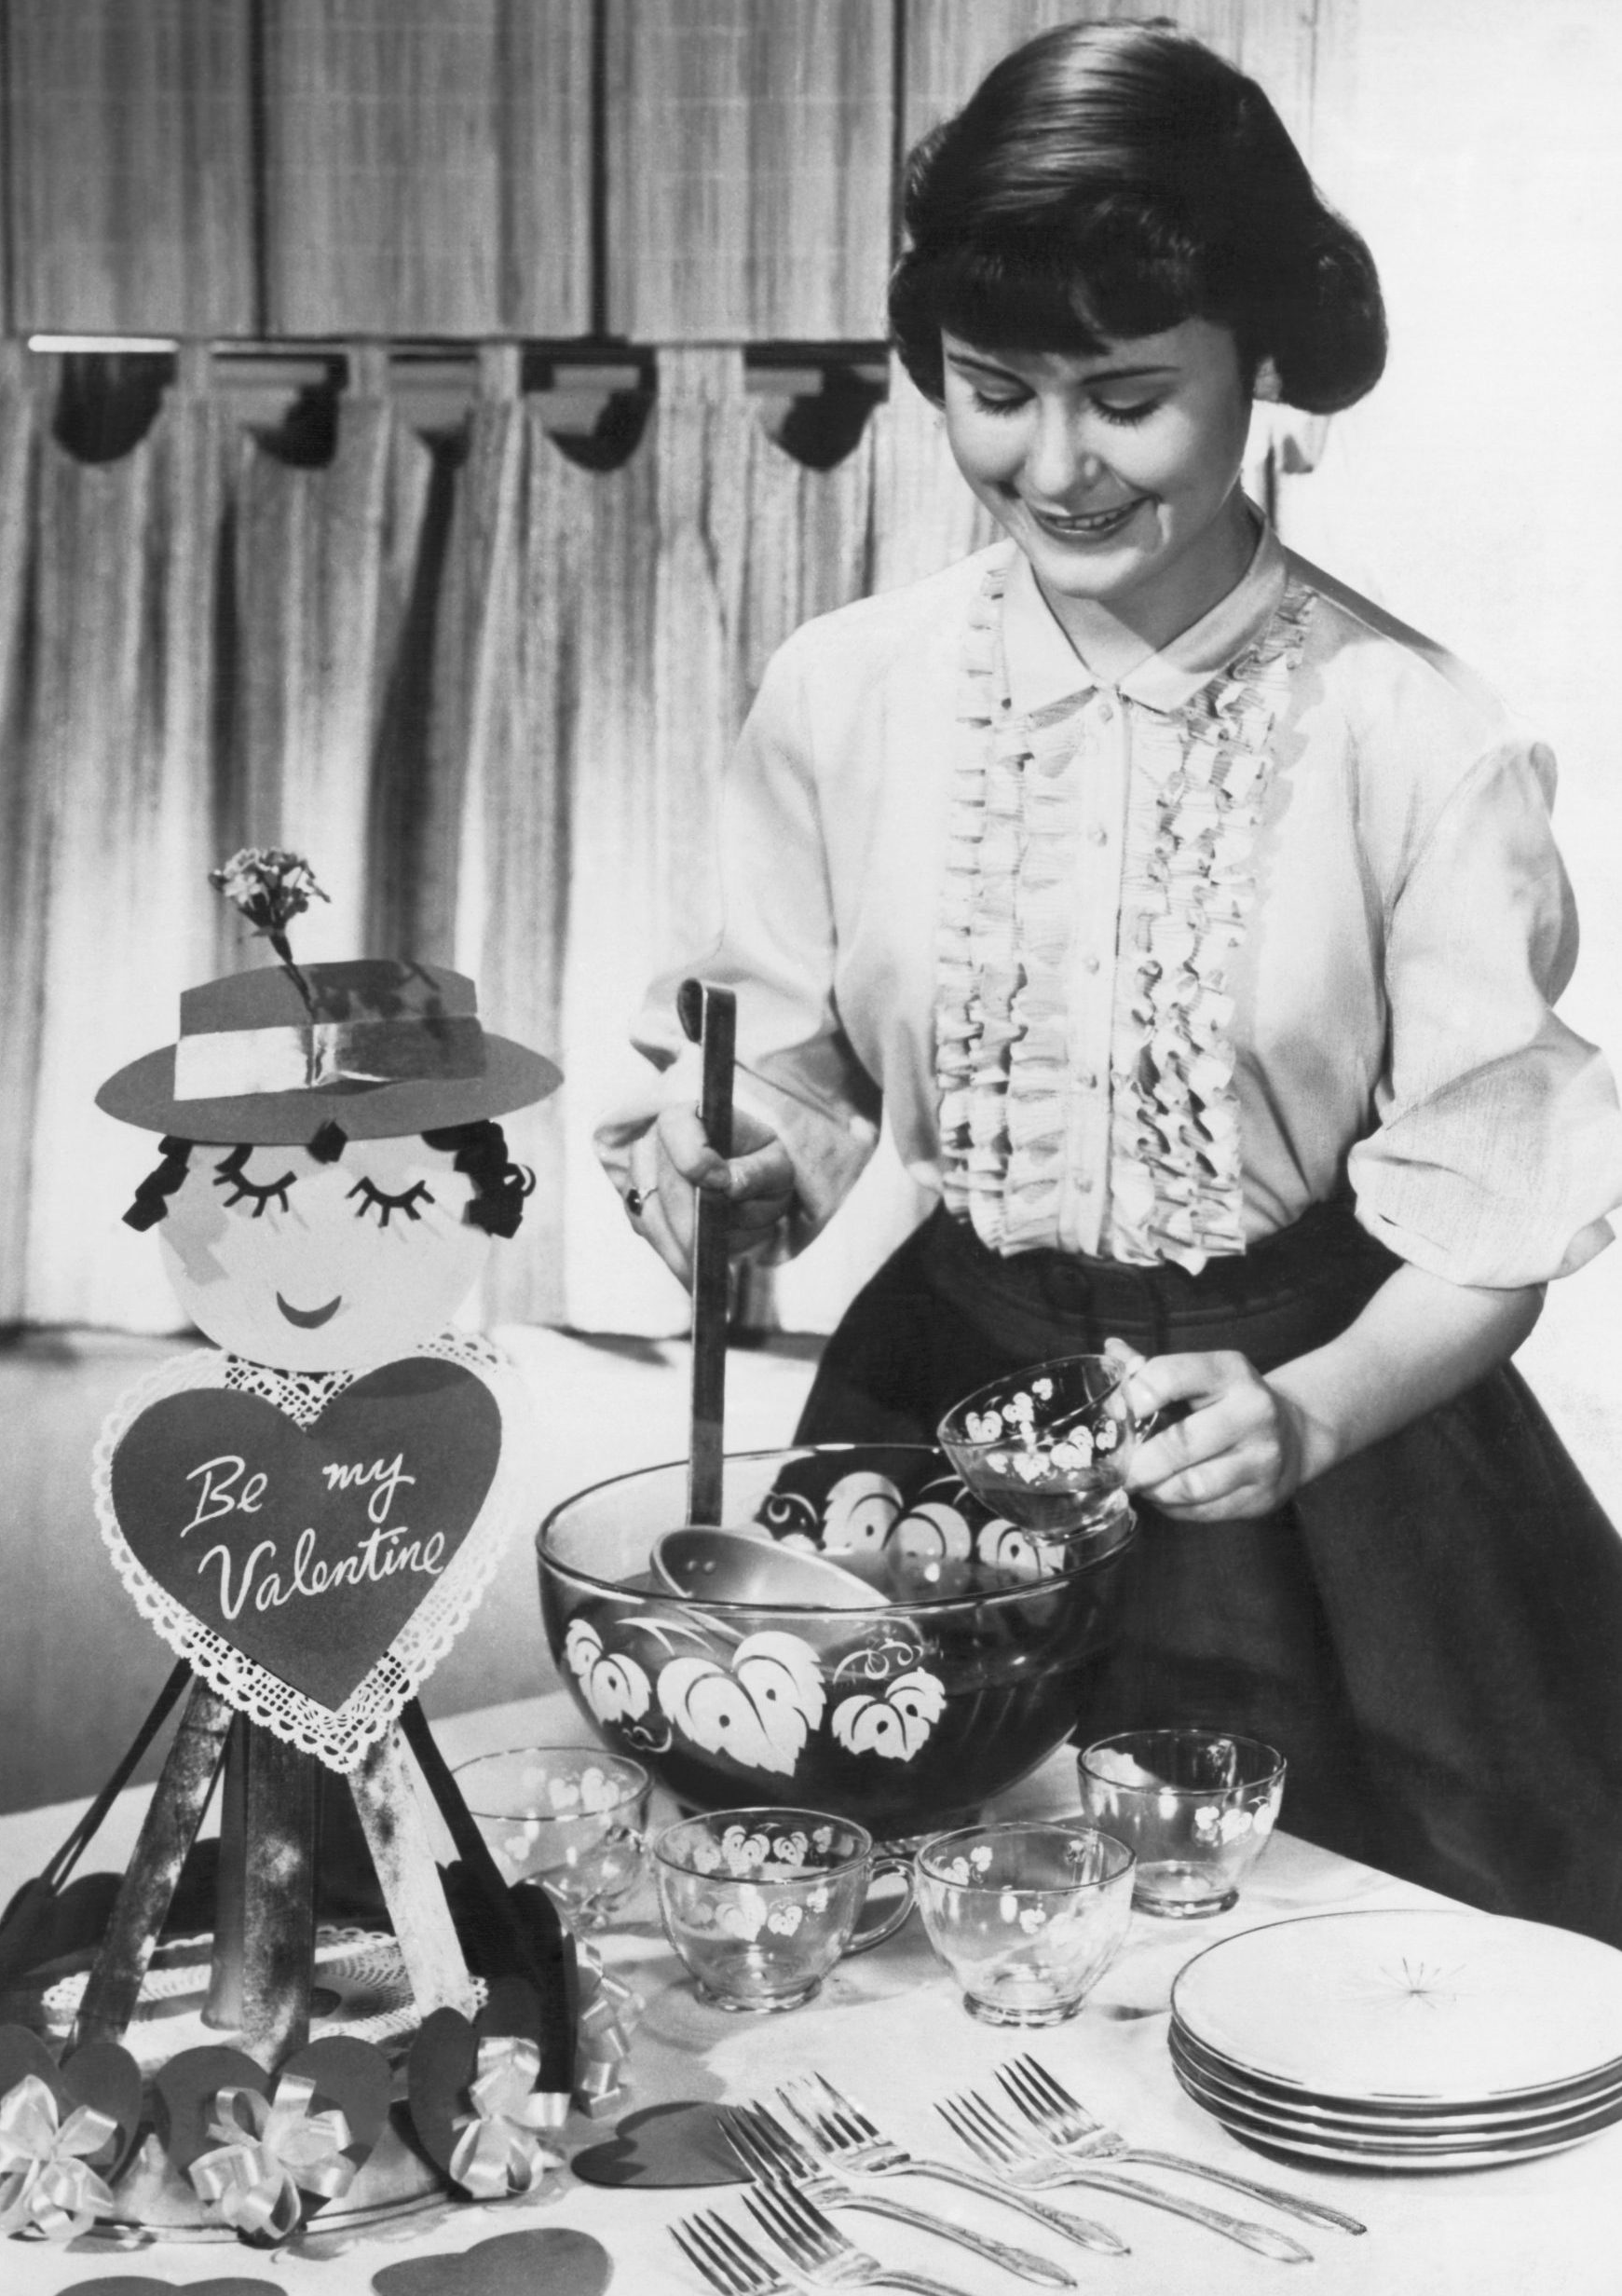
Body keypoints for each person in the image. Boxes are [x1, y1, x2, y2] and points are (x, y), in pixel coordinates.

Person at [597, 20, 1622, 1943]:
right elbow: (781, 1059)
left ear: (1262, 371)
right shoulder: (844, 689)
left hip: (1316, 1462)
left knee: (1328, 1970)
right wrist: (732, 1167)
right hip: (935, 1414)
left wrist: (1312, 1413)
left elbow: (1499, 1215)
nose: (1053, 466)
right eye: (994, 392)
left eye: (1128, 398)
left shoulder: (1418, 733)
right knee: (889, 1939)